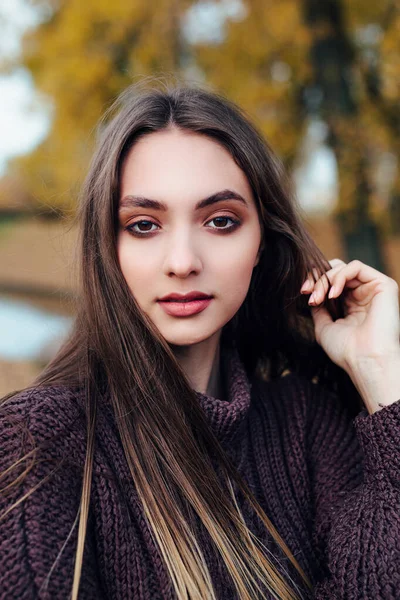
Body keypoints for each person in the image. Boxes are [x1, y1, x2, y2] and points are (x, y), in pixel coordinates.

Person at [1, 80, 399, 600]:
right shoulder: (38, 441)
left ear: (261, 242)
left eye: (220, 221)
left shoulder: (309, 424)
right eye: (144, 225)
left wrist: (381, 372)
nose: (183, 261)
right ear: (106, 246)